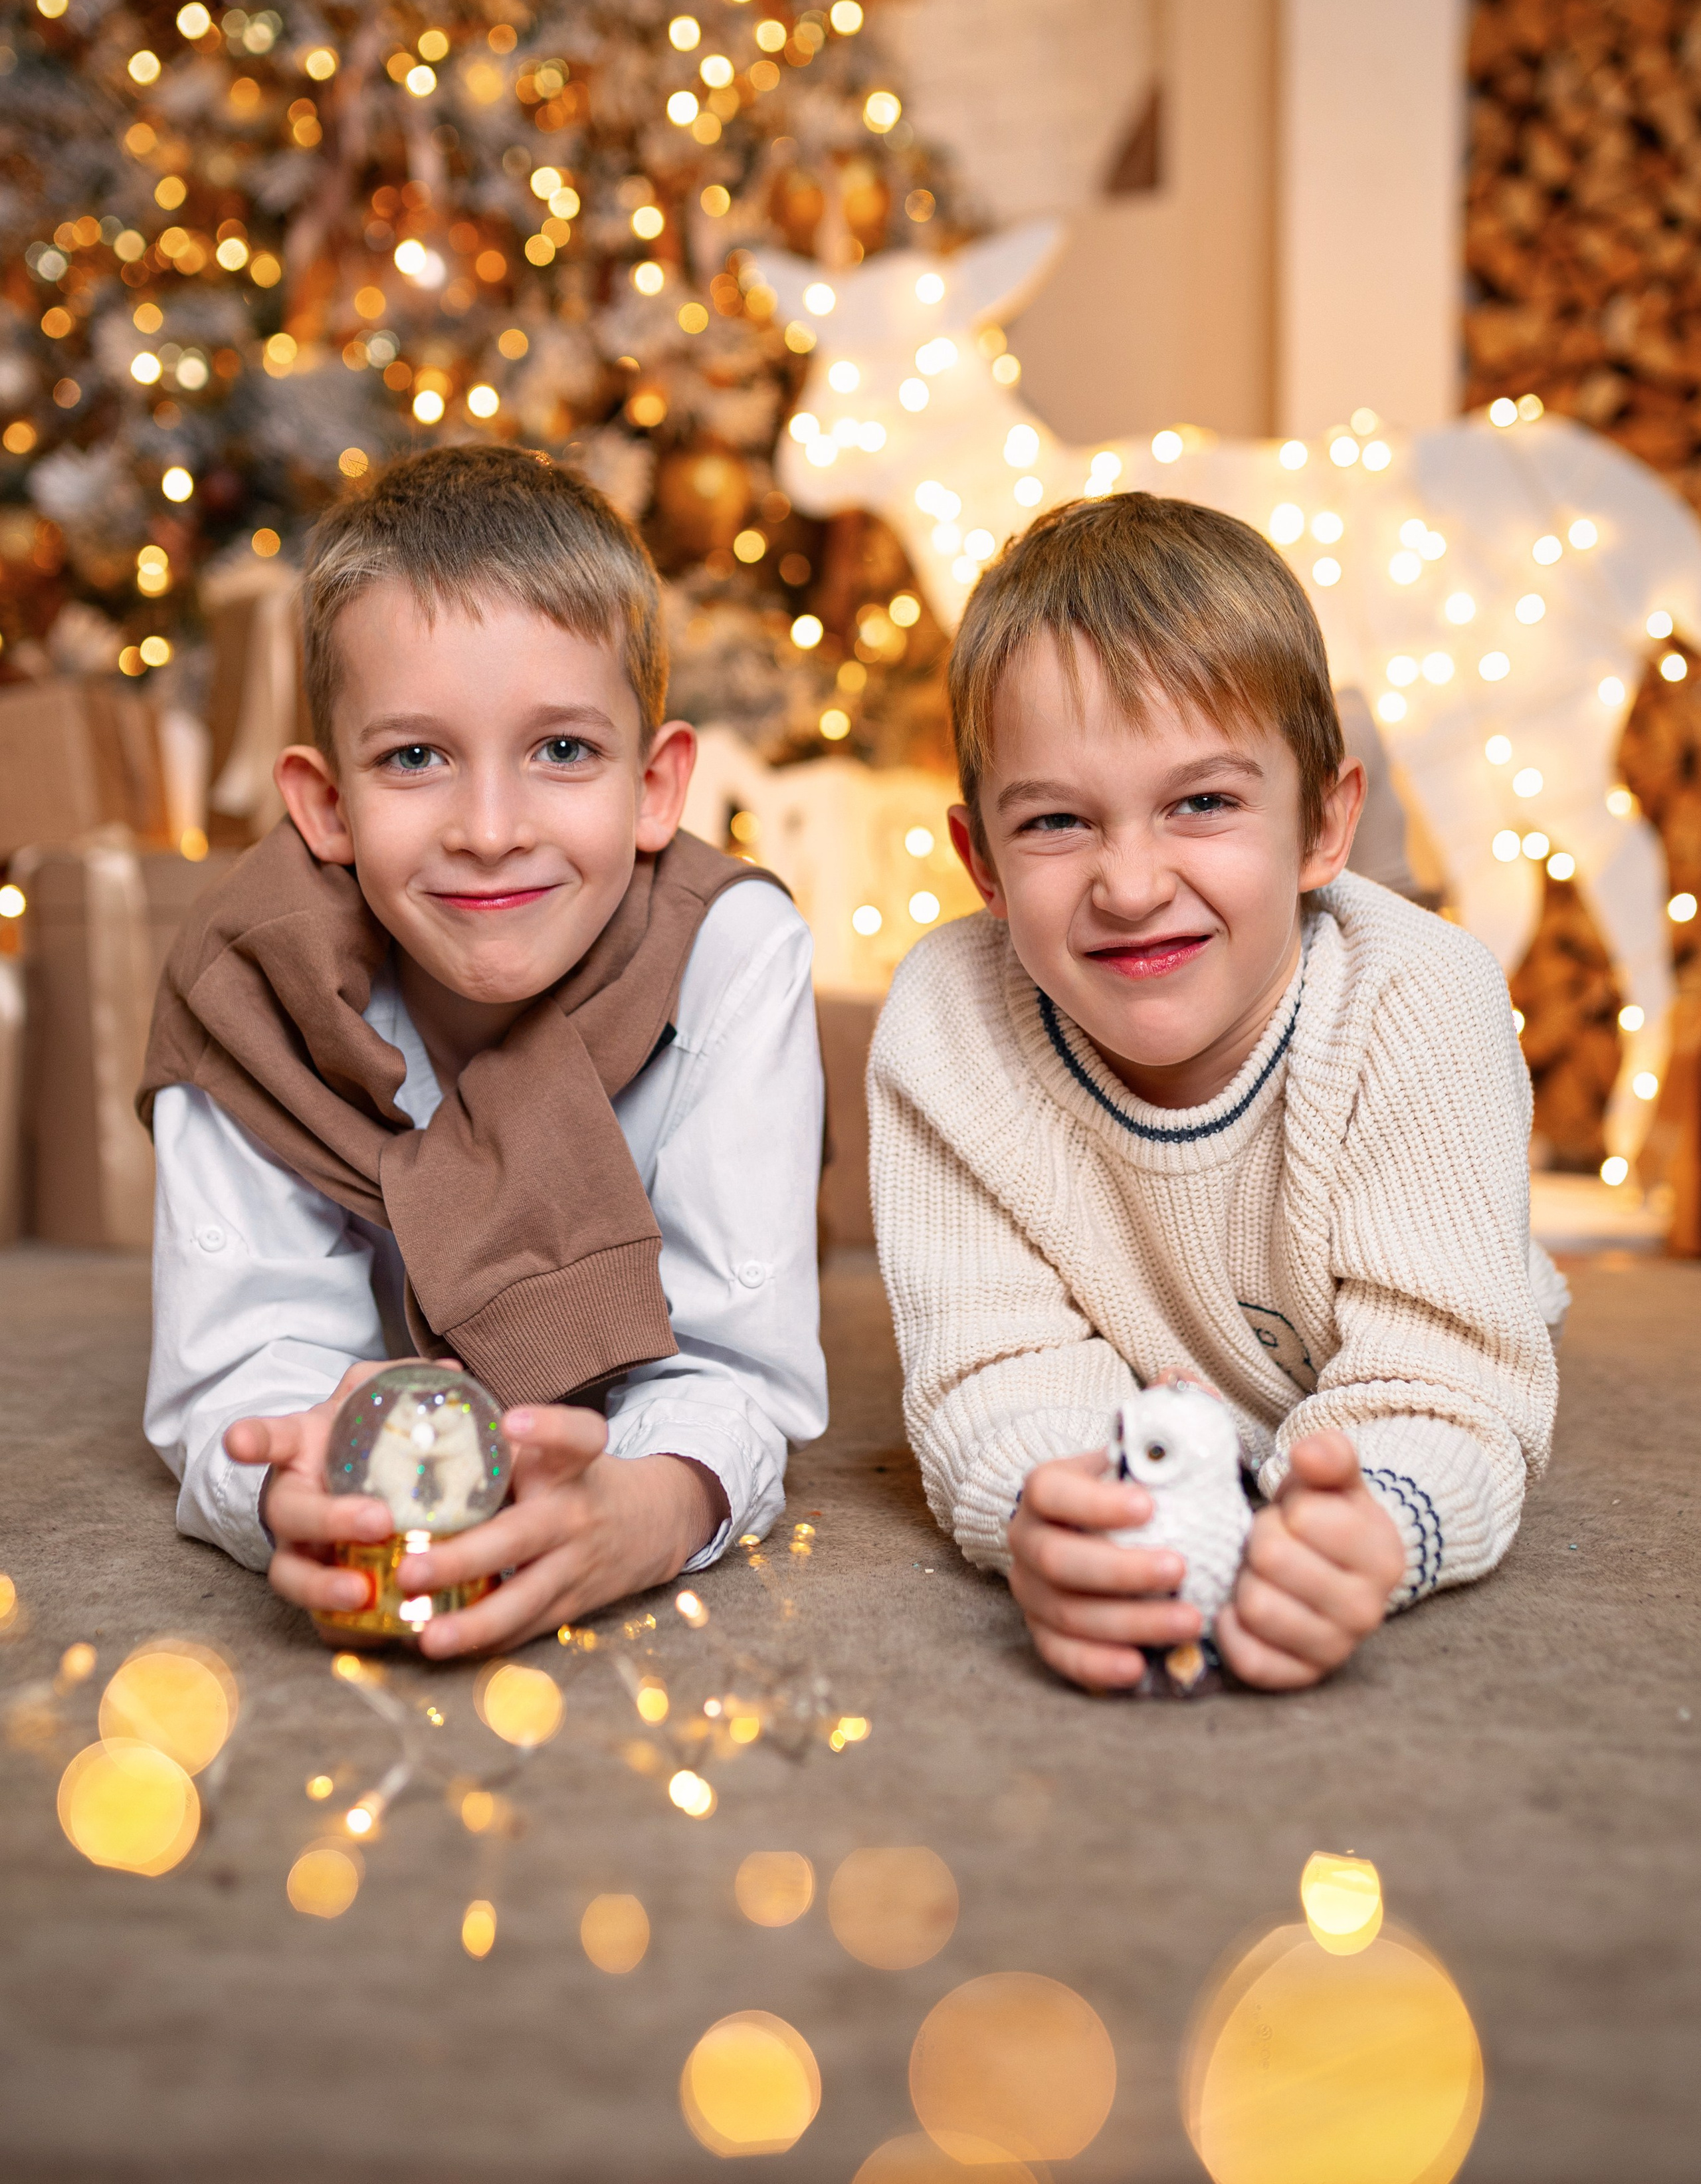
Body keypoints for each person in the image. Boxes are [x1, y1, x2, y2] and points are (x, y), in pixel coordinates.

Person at [867, 494, 1563, 1693]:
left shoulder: (1419, 998)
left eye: (1203, 802)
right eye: (1055, 821)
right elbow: (990, 1362)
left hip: (1388, 1334)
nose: (1132, 884)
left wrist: (1373, 1520)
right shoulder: (947, 1027)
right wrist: (1073, 1510)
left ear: (1324, 824)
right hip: (1147, 1402)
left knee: (1450, 1362)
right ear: (980, 857)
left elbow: (1444, 1380)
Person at [140, 446, 826, 1658]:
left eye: (562, 750)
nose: (491, 832)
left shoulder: (733, 952)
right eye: (415, 757)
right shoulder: (245, 991)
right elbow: (234, 1373)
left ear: (658, 786)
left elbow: (739, 1365)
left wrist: (651, 1506)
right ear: (327, 806)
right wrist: (290, 1489)